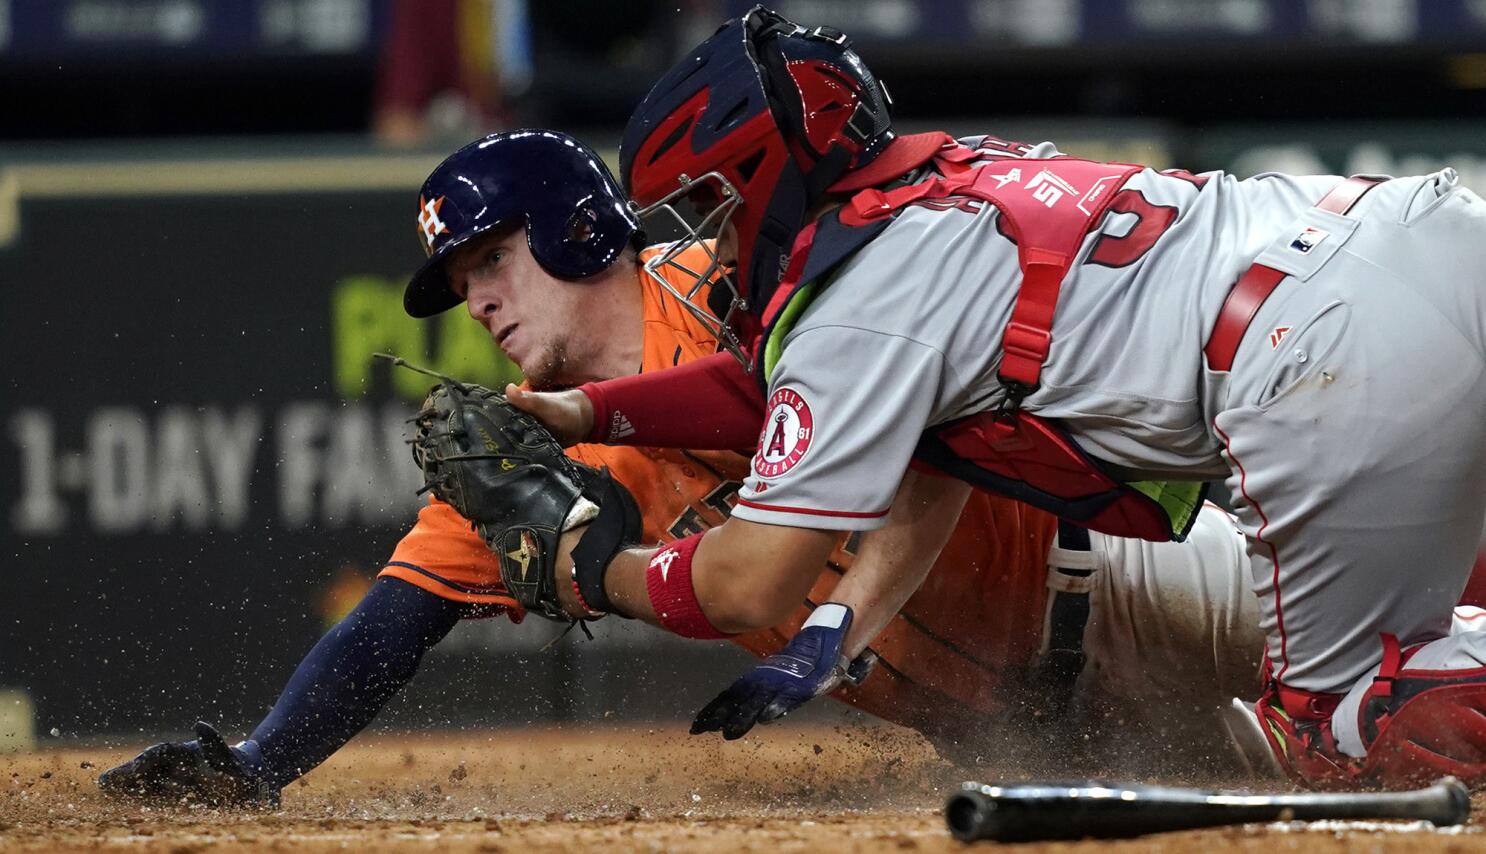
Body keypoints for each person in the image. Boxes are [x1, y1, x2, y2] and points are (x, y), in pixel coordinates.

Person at [98, 130, 1293, 808]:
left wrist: (832, 615)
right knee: (1332, 804)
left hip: (1135, 581)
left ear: (575, 228)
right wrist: (257, 764)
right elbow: (390, 625)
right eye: (459, 283)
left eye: (492, 257)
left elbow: (942, 425)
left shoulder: (744, 287)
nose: (476, 299)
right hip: (1026, 738)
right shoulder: (540, 446)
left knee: (1430, 703)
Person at [500, 8, 1486, 790]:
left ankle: (1392, 697)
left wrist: (595, 568)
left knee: (1337, 738)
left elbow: (745, 582)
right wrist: (596, 412)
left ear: (761, 176)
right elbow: (865, 412)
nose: (709, 245)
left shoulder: (853, 310)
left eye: (712, 206)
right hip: (1419, 230)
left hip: (1318, 363)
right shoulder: (941, 181)